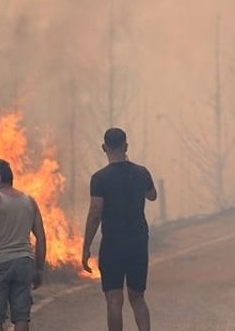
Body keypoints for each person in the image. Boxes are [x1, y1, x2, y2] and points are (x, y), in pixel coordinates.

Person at [82, 127, 158, 331]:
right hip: (138, 241)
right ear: (126, 146)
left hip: (113, 243)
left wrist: (86, 246)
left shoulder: (99, 178)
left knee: (114, 299)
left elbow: (95, 213)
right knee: (137, 297)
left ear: (104, 148)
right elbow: (152, 195)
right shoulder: (141, 172)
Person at [0, 159, 47, 331]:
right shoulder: (30, 201)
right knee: (21, 317)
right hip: (24, 263)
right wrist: (39, 269)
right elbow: (41, 238)